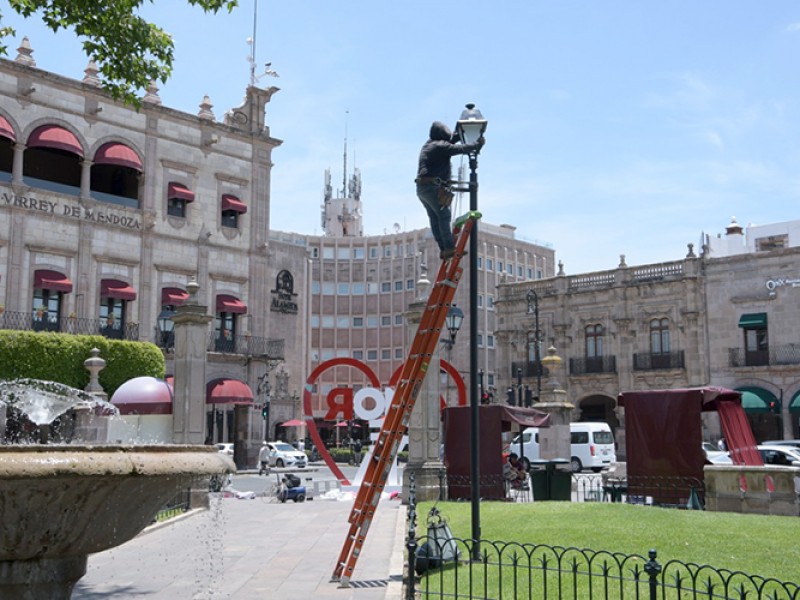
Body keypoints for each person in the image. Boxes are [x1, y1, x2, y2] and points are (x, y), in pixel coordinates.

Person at [415, 121, 485, 260]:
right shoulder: (440, 146)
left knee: (435, 219)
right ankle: (448, 248)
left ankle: (444, 248)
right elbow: (459, 149)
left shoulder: (430, 144)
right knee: (444, 215)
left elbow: (450, 142)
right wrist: (477, 145)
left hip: (422, 188)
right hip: (432, 187)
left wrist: (460, 133)